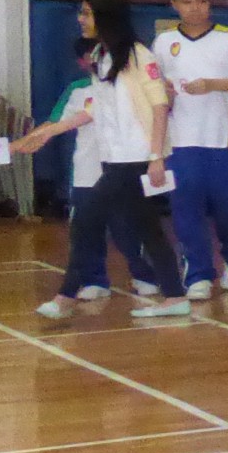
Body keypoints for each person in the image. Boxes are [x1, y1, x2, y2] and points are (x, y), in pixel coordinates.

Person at [44, 0, 188, 321]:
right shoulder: (100, 56)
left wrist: (156, 156)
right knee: (148, 227)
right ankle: (175, 295)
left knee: (86, 218)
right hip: (112, 156)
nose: (81, 19)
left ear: (105, 16)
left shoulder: (138, 55)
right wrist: (52, 130)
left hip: (135, 158)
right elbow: (98, 107)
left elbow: (159, 106)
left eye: (87, 13)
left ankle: (65, 296)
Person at [153, 0, 228, 297]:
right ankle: (198, 275)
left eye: (201, 1)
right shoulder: (162, 43)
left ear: (209, 2)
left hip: (223, 143)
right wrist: (165, 94)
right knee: (185, 212)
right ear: (174, 4)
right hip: (180, 144)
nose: (195, 8)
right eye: (187, 1)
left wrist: (212, 85)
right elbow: (153, 90)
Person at [11, 63, 149, 312]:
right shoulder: (77, 89)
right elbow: (56, 123)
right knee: (84, 232)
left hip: (120, 169)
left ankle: (145, 275)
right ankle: (94, 280)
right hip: (86, 173)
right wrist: (21, 144)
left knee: (126, 228)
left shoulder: (130, 85)